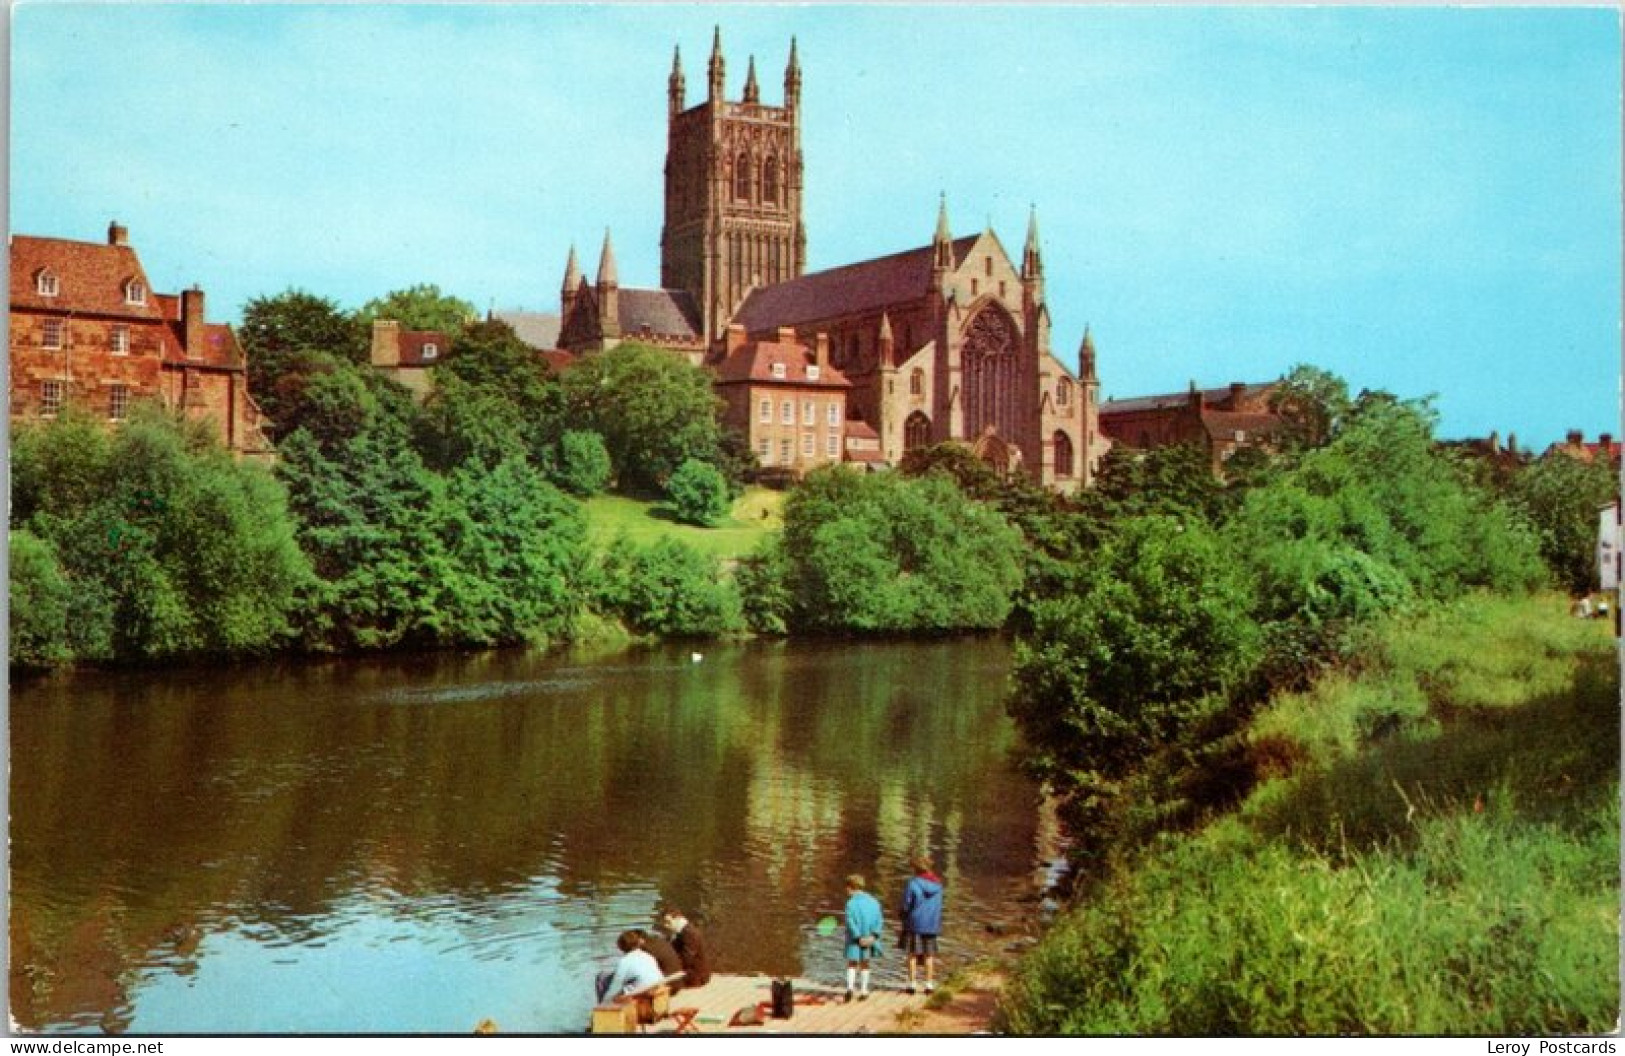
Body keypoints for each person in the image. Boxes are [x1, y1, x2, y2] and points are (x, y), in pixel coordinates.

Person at [899, 855, 945, 995]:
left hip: (914, 924)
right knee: (929, 955)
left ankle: (912, 984)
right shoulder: (938, 885)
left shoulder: (912, 883)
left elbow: (906, 905)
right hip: (931, 925)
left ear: (915, 869)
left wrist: (902, 915)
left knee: (912, 954)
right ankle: (929, 985)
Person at [842, 874, 884, 1002]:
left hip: (855, 939)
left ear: (850, 887)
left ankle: (849, 988)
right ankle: (864, 990)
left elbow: (850, 922)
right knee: (865, 963)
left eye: (847, 888)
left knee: (852, 962)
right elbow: (879, 920)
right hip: (869, 937)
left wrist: (858, 936)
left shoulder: (850, 903)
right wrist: (874, 935)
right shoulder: (874, 902)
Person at [594, 930, 665, 1004]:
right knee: (612, 977)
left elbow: (615, 986)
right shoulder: (648, 955)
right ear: (637, 943)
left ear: (621, 947)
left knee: (601, 978)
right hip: (656, 986)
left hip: (641, 992)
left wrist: (605, 1001)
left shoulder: (625, 961)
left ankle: (601, 1007)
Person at [660, 909, 712, 987]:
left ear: (677, 919)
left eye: (668, 922)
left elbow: (687, 958)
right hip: (694, 972)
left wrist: (670, 967)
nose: (665, 925)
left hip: (697, 976)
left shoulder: (689, 933)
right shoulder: (683, 930)